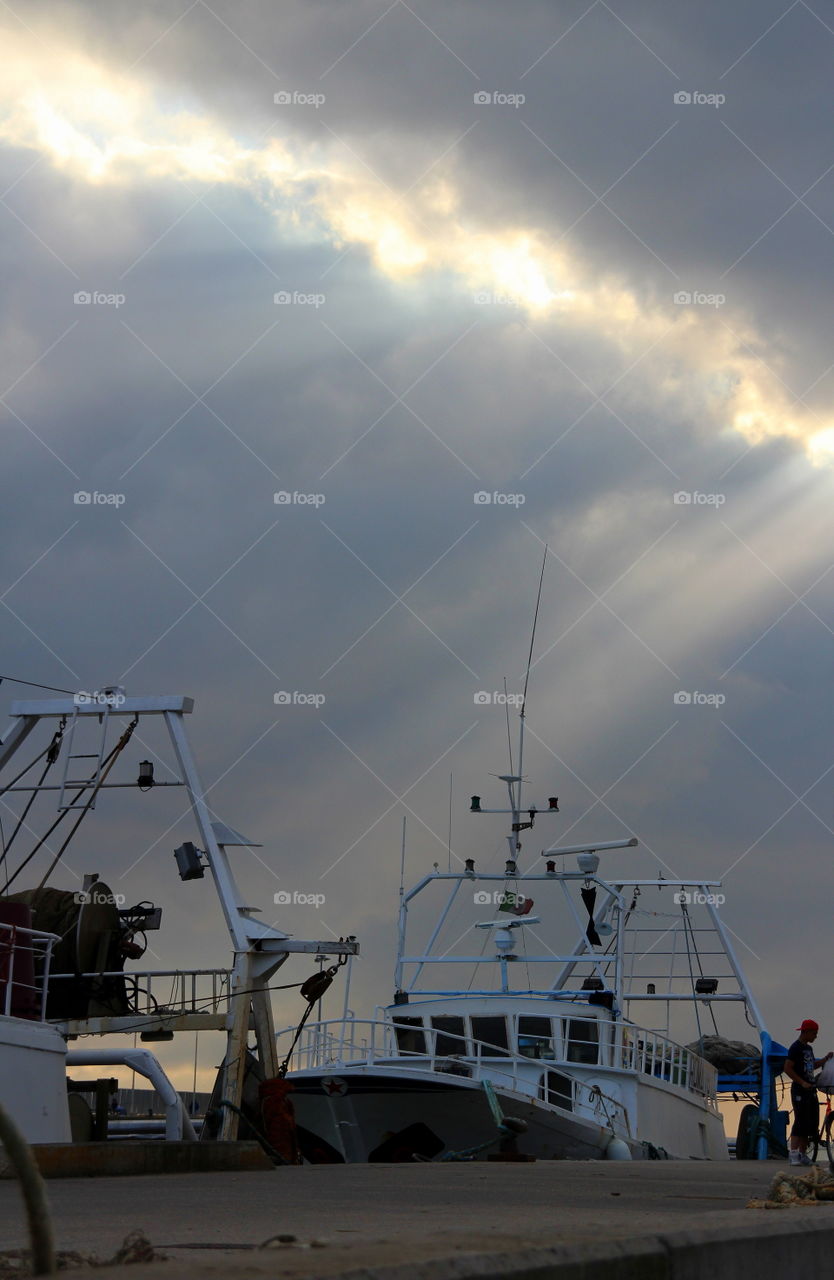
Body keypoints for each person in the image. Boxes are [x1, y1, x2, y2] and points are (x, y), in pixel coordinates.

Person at [784, 1019, 833, 1165]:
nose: (816, 1036)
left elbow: (811, 1066)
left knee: (810, 1123)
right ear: (806, 1032)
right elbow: (787, 1068)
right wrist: (802, 1082)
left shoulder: (808, 1049)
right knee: (800, 1121)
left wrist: (825, 1059)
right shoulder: (796, 1048)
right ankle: (793, 1154)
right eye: (814, 1033)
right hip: (800, 1090)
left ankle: (802, 1154)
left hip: (811, 1090)